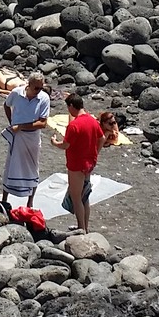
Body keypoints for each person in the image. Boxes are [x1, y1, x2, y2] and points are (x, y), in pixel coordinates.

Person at [50, 91, 104, 232]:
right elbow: (102, 138)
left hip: (76, 165)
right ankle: (85, 226)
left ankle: (81, 228)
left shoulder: (74, 126)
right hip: (89, 164)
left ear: (72, 106)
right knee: (84, 196)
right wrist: (95, 154)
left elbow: (65, 145)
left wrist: (55, 143)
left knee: (76, 197)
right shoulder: (92, 121)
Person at [1, 71, 50, 207]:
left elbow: (43, 123)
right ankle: (5, 199)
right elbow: (6, 104)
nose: (39, 91)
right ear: (29, 85)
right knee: (11, 164)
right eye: (36, 88)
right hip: (18, 137)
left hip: (32, 137)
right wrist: (12, 122)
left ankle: (30, 202)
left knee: (32, 167)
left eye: (41, 87)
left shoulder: (44, 98)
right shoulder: (17, 93)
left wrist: (21, 126)